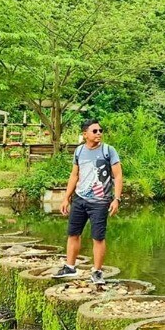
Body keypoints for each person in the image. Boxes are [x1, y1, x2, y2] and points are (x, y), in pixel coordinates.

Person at [56, 118, 122, 283]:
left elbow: (118, 175)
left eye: (100, 131)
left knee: (98, 237)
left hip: (100, 202)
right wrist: (66, 198)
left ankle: (97, 272)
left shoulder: (108, 150)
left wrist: (117, 199)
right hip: (80, 199)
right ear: (85, 134)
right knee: (73, 234)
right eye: (95, 131)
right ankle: (70, 267)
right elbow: (74, 175)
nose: (99, 133)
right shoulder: (79, 151)